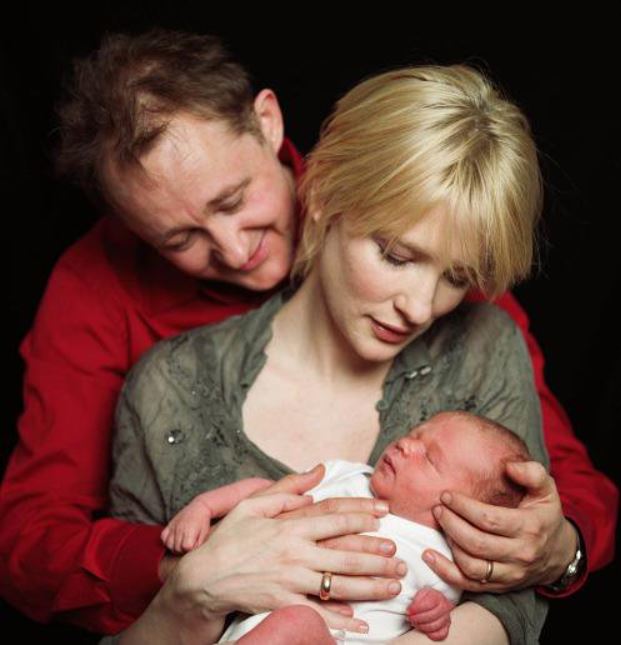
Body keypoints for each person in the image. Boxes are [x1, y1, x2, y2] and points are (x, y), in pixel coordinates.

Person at [0, 28, 616, 637]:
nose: (235, 250)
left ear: (270, 126)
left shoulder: (432, 237)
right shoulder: (136, 338)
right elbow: (34, 542)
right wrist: (195, 568)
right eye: (179, 241)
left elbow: (531, 475)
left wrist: (557, 549)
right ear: (135, 227)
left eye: (235, 199)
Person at [103, 62, 553, 645]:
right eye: (395, 254)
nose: (419, 307)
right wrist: (195, 591)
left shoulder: (483, 346)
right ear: (322, 195)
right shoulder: (169, 386)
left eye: (457, 276)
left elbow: (514, 605)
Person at [161, 411, 534, 643]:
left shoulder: (440, 556)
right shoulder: (348, 475)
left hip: (334, 639)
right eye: (417, 434)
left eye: (430, 458)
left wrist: (432, 612)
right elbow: (267, 492)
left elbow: (440, 616)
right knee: (288, 623)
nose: (406, 445)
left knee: (297, 623)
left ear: (462, 510)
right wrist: (205, 507)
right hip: (252, 625)